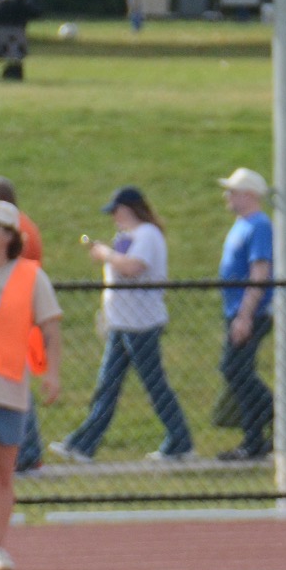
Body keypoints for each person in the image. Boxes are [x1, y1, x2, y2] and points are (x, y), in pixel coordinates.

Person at [53, 187, 193, 462]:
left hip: (141, 324)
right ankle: (83, 444)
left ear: (130, 209)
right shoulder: (127, 237)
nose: (114, 218)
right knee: (108, 384)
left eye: (116, 211)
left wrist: (105, 254)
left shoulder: (148, 235)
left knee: (153, 385)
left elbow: (132, 268)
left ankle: (180, 440)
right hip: (122, 323)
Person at [0, 198, 61, 570]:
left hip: (8, 388)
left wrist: (52, 373)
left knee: (3, 473)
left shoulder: (31, 277)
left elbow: (51, 327)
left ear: (7, 235)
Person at [214, 168, 277, 462]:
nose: (227, 196)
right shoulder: (243, 224)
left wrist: (245, 315)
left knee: (234, 369)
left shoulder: (260, 226)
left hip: (250, 311)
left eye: (233, 191)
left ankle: (275, 415)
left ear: (249, 195)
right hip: (236, 310)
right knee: (238, 371)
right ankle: (254, 439)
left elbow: (260, 271)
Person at [0, 176, 46, 475]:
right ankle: (25, 452)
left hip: (12, 320)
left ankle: (27, 452)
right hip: (15, 318)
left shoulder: (17, 231)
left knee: (14, 386)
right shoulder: (23, 226)